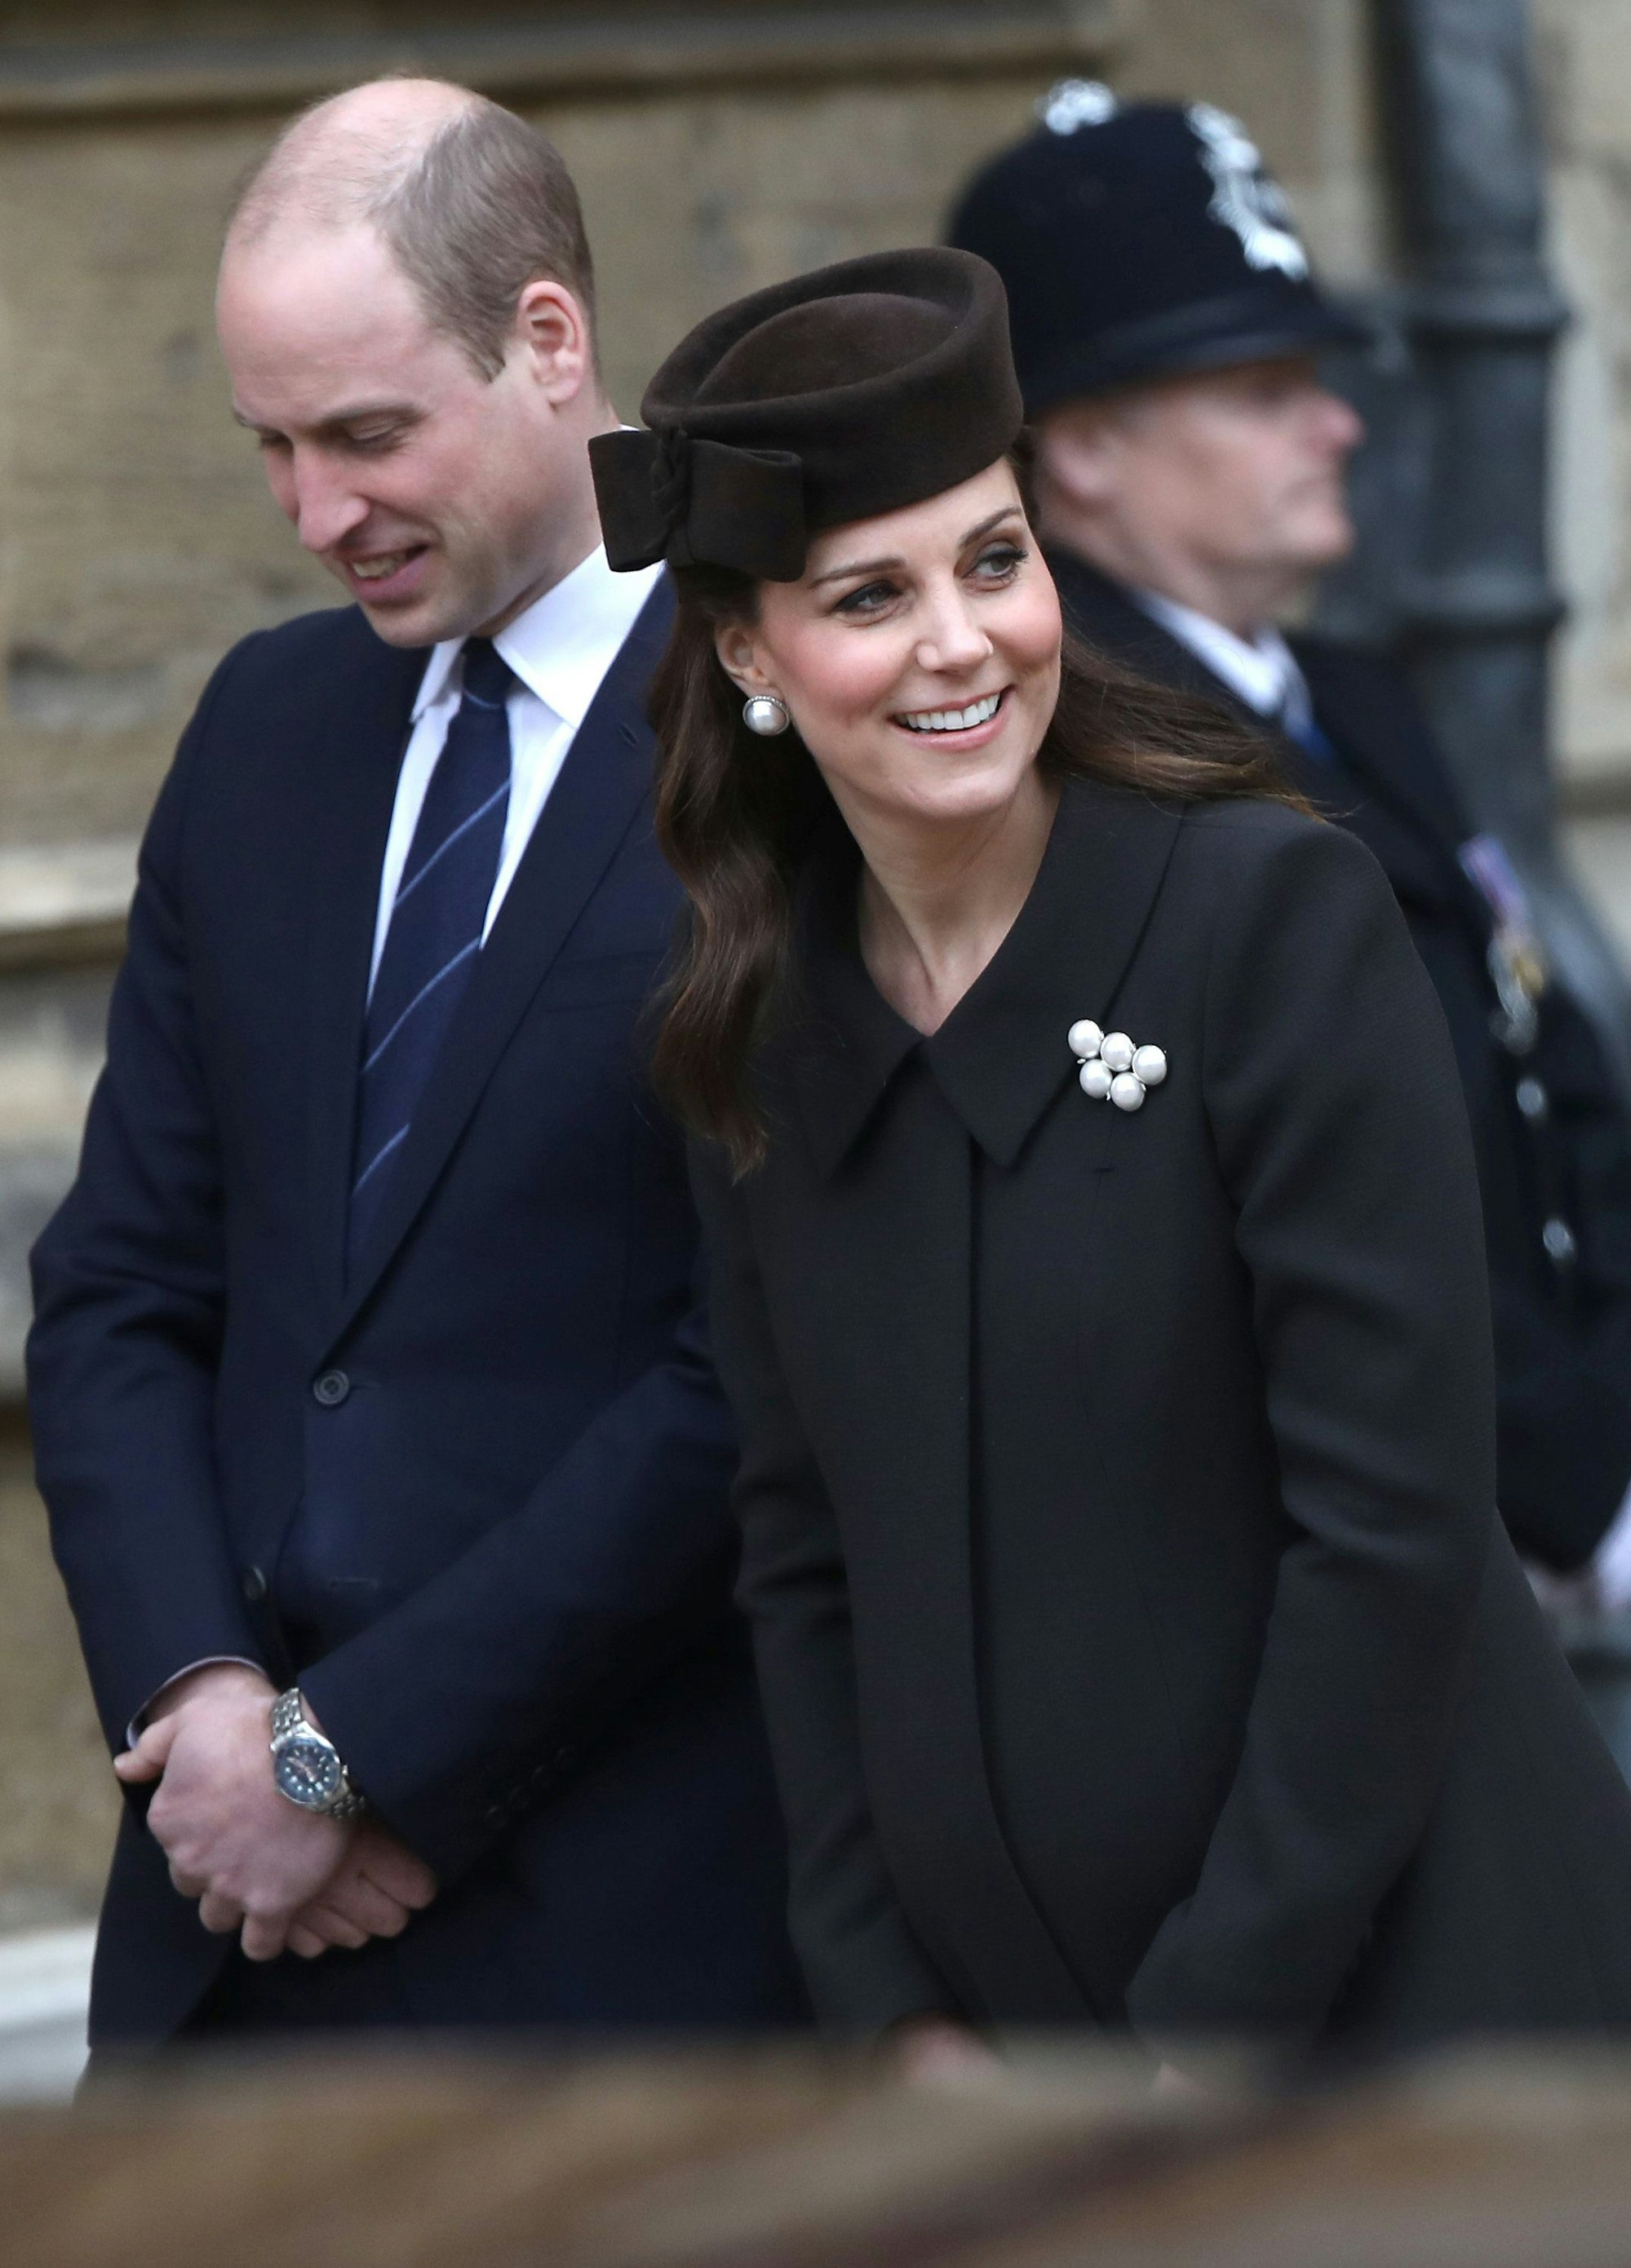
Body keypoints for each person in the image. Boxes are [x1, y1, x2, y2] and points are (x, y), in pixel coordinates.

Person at [589, 244, 1631, 2066]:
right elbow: (800, 1551)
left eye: (995, 561)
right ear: (749, 652)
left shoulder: (1267, 913)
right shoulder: (754, 1026)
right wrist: (890, 2009)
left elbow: (1385, 1533)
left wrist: (1192, 2042)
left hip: (1402, 2031)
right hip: (1010, 2070)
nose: (960, 641)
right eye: (868, 594)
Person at [28, 79, 803, 2051]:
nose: (315, 513)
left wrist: (347, 1760)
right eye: (271, 447)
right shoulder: (269, 724)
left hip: (622, 1929)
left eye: (369, 435)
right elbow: (125, 1284)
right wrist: (208, 1714)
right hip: (225, 1944)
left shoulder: (783, 735)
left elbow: (754, 1362)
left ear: (550, 342)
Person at [948, 86, 1631, 1584]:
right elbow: (1296, 1202)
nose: (1336, 423)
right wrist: (1570, 1484)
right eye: (1261, 387)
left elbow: (1551, 1067)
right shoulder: (1091, 763)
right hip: (1351, 1542)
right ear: (1082, 451)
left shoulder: (1358, 699)